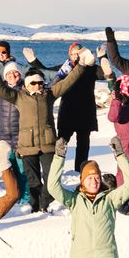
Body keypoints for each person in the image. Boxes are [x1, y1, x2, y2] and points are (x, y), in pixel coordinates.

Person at [0, 60, 77, 213]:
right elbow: (0, 89)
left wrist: (81, 66)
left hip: (47, 144)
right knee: (31, 179)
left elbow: (67, 81)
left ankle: (46, 201)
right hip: (26, 146)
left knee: (50, 178)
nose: (36, 85)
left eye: (39, 83)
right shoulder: (18, 96)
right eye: (32, 83)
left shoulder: (49, 95)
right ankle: (34, 205)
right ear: (27, 84)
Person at [41, 41, 101, 171]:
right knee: (61, 143)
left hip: (86, 112)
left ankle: (81, 171)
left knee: (83, 145)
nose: (76, 56)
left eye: (79, 53)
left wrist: (102, 57)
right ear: (69, 55)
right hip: (68, 112)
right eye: (73, 54)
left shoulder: (92, 68)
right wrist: (33, 61)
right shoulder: (65, 68)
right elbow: (47, 72)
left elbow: (106, 73)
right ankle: (55, 170)